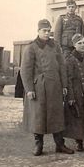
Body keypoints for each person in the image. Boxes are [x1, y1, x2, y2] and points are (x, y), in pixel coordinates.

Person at [20, 19, 74, 156]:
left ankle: (60, 145)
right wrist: (29, 89)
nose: (47, 33)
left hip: (55, 86)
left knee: (57, 116)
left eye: (49, 31)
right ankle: (38, 145)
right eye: (44, 30)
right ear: (38, 31)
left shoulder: (55, 46)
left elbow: (62, 66)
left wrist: (64, 85)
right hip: (39, 88)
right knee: (38, 117)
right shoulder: (31, 47)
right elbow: (25, 70)